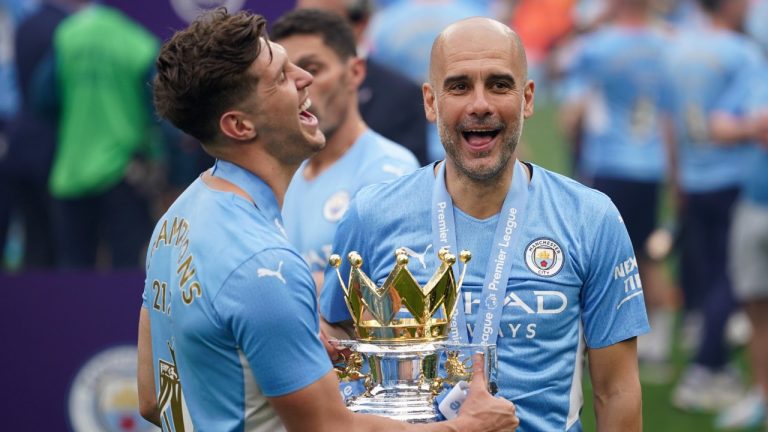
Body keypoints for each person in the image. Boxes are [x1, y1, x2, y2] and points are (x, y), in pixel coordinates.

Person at [137, 8, 518, 431]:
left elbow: (152, 398)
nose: (304, 78)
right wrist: (465, 427)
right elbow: (331, 429)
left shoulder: (175, 221)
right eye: (281, 76)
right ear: (239, 125)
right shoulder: (263, 265)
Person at [320, 17, 649, 432]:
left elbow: (616, 390)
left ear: (528, 98)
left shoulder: (591, 217)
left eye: (499, 84)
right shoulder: (372, 213)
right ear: (430, 102)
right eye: (458, 86)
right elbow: (336, 334)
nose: (480, 104)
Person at [558, 0, 678, 375]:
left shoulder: (597, 46)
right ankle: (657, 343)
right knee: (646, 253)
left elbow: (571, 113)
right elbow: (670, 114)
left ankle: (598, 338)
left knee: (595, 255)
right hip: (650, 163)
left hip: (608, 162)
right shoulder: (667, 43)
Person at [271, 9, 419, 291]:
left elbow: (386, 294)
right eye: (284, 76)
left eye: (312, 70)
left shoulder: (390, 171)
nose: (299, 88)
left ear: (355, 72)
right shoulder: (280, 174)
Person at [666, 0, 766, 412]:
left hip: (694, 173)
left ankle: (708, 354)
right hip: (735, 178)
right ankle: (708, 365)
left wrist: (676, 177)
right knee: (734, 279)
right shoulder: (741, 52)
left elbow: (668, 122)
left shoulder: (677, 47)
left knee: (710, 274)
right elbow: (753, 122)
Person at [45, 1, 160, 269]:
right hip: (122, 169)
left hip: (71, 169)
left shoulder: (68, 35)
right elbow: (159, 107)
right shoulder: (138, 41)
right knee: (127, 267)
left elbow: (43, 96)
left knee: (73, 267)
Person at [295, 0, 430, 165]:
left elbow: (412, 181)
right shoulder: (283, 83)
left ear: (361, 22)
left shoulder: (403, 94)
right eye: (300, 18)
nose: (304, 29)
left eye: (320, 20)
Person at [709, 60, 768, 430]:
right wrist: (754, 126)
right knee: (755, 309)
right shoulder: (756, 73)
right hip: (753, 203)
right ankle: (762, 396)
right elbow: (716, 125)